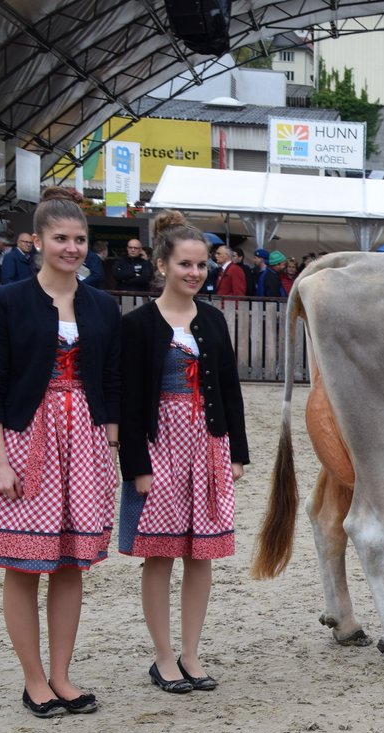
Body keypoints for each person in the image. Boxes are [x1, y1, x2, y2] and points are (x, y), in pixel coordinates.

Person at [0, 188, 120, 718]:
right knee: (23, 562)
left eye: (80, 239)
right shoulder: (9, 301)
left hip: (83, 441)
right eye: (61, 238)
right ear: (37, 241)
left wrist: (109, 448)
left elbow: (109, 380)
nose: (72, 248)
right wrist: (1, 461)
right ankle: (34, 679)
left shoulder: (102, 305)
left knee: (69, 564)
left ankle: (62, 674)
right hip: (25, 440)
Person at [119, 210, 249, 694]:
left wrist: (236, 451)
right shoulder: (137, 325)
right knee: (160, 555)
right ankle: (163, 657)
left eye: (201, 266)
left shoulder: (213, 320)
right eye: (185, 265)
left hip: (207, 443)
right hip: (160, 446)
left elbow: (230, 391)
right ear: (161, 265)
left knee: (201, 555)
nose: (194, 273)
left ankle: (192, 652)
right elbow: (128, 400)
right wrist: (136, 466)